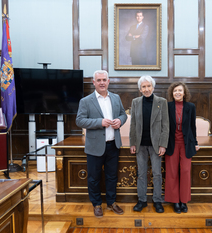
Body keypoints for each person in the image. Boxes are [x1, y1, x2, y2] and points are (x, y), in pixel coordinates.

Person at [76, 70, 127, 218]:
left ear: (109, 81)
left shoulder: (116, 98)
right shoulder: (85, 101)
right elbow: (79, 121)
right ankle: (97, 204)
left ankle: (111, 202)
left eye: (104, 79)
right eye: (98, 80)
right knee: (94, 178)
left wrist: (120, 121)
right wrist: (100, 122)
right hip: (95, 147)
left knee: (112, 177)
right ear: (94, 82)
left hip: (113, 145)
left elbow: (123, 114)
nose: (102, 83)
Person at [129, 75, 169, 213]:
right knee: (141, 173)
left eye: (149, 86)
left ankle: (157, 201)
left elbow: (166, 125)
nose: (146, 89)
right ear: (140, 89)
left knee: (157, 173)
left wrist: (163, 144)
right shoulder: (135, 102)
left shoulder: (162, 102)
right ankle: (142, 200)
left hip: (156, 144)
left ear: (153, 87)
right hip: (140, 144)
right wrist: (133, 143)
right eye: (143, 87)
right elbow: (133, 124)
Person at [165, 82, 200, 214]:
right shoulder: (167, 106)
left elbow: (192, 126)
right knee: (172, 172)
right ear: (172, 93)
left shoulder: (190, 107)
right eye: (175, 91)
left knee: (185, 172)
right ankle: (175, 201)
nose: (177, 93)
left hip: (186, 144)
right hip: (171, 143)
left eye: (180, 90)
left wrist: (195, 142)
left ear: (184, 93)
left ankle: (183, 201)